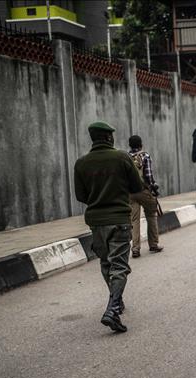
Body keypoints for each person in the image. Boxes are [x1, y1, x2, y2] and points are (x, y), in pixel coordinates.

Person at [74, 121, 143, 333]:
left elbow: (81, 196)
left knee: (106, 263)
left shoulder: (81, 163)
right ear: (109, 137)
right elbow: (137, 187)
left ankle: (116, 301)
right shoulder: (122, 157)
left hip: (96, 221)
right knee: (120, 265)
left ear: (93, 138)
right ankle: (112, 308)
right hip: (120, 219)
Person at [128, 135, 163, 258]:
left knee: (134, 220)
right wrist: (153, 187)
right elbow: (148, 175)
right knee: (151, 215)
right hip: (144, 191)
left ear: (130, 145)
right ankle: (153, 244)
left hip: (130, 193)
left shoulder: (125, 157)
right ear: (141, 144)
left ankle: (135, 248)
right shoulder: (145, 156)